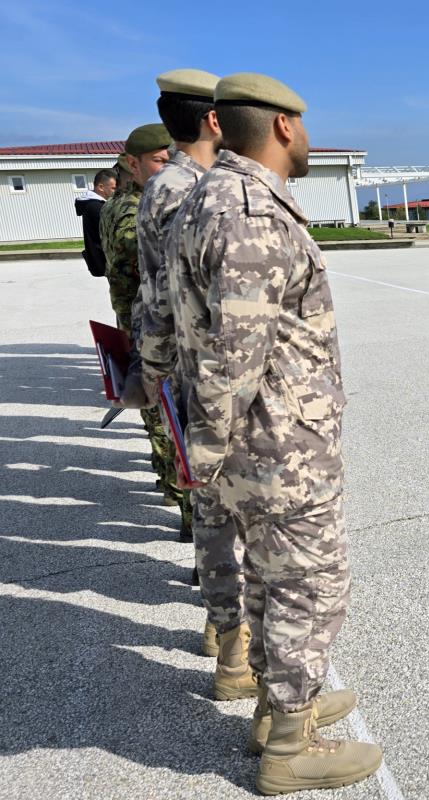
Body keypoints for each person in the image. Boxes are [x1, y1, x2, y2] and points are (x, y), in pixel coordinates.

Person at [168, 72, 381, 794]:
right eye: (306, 124)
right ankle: (291, 744)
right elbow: (236, 350)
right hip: (279, 448)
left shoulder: (214, 195)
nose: (310, 137)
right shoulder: (250, 210)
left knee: (269, 578)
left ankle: (276, 707)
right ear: (285, 126)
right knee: (309, 586)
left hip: (257, 446)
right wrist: (206, 449)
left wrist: (208, 449)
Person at [130, 69, 260, 697]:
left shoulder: (159, 188)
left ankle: (225, 640)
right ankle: (243, 656)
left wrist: (149, 372)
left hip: (185, 377)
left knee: (210, 517)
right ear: (214, 119)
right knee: (243, 519)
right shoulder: (204, 192)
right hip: (222, 383)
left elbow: (151, 298)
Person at [99, 124, 186, 533]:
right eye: (159, 160)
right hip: (147, 323)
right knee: (166, 412)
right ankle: (185, 502)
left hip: (135, 318)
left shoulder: (121, 203)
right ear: (132, 164)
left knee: (157, 413)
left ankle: (167, 478)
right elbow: (138, 266)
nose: (168, 167)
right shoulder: (135, 209)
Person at [77, 169, 117, 277]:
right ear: (101, 187)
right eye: (113, 188)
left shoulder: (93, 204)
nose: (117, 191)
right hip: (107, 262)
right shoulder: (97, 207)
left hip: (103, 261)